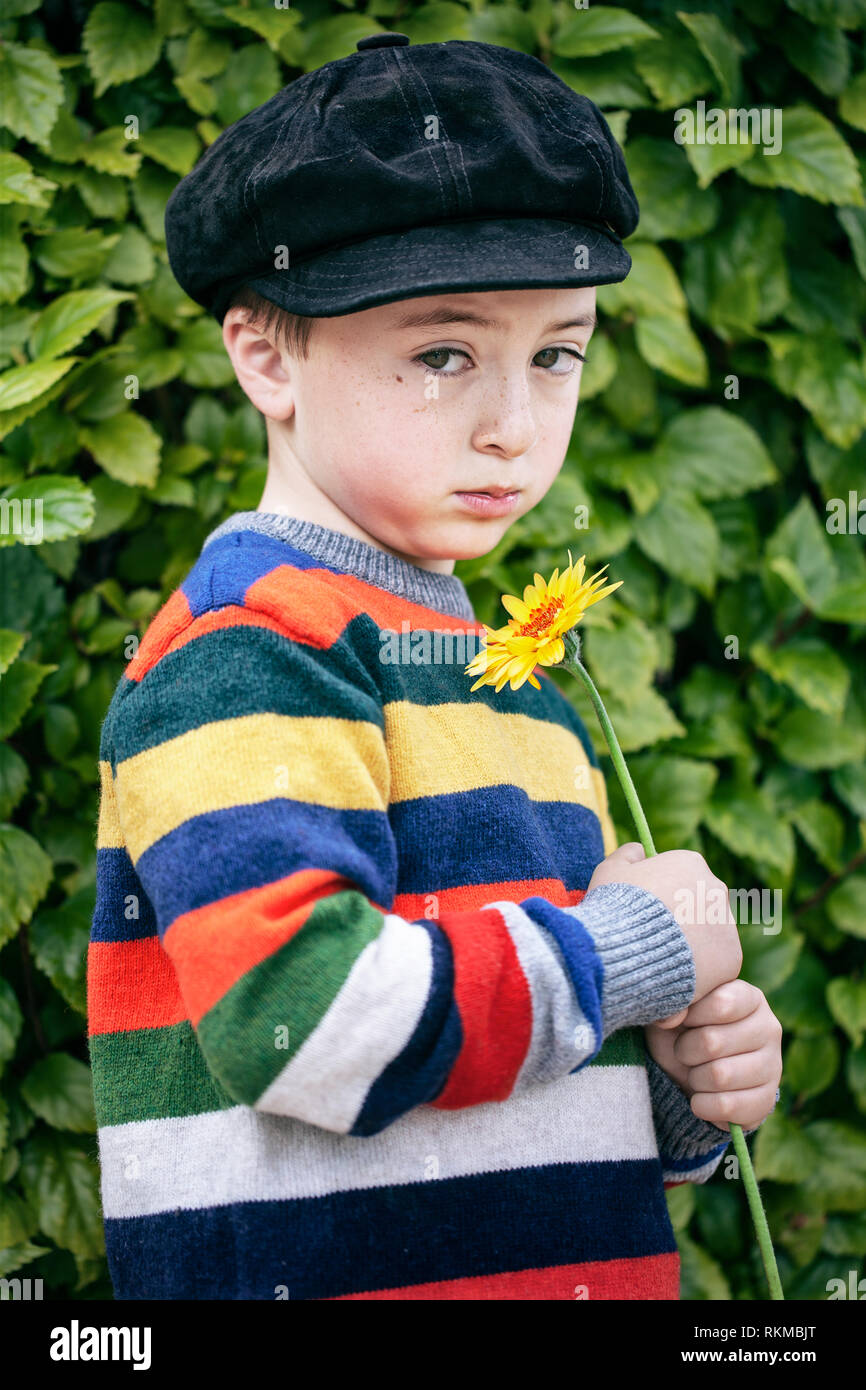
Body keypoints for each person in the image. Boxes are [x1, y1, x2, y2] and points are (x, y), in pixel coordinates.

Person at [88, 34, 782, 1300]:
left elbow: (513, 1090)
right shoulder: (253, 649)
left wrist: (675, 1090)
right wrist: (627, 950)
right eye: (444, 353)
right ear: (266, 355)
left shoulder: (509, 681)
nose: (513, 424)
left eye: (555, 353)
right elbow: (309, 1026)